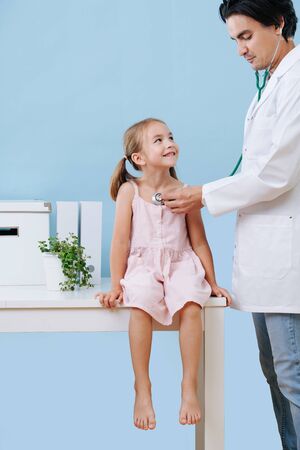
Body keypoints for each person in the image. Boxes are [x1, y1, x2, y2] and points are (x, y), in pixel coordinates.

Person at [161, 0, 300, 448]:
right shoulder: (270, 84)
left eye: (246, 36)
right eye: (233, 40)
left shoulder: (297, 80)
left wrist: (202, 194)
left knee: (292, 375)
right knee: (275, 373)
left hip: (288, 256)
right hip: (267, 258)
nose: (239, 50)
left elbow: (278, 173)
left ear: (278, 24)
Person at [95, 118, 231, 431]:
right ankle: (142, 387)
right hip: (143, 265)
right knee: (140, 302)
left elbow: (198, 241)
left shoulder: (186, 193)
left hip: (181, 263)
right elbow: (120, 241)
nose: (169, 142)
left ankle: (188, 386)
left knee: (191, 305)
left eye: (170, 136)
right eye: (158, 140)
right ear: (138, 158)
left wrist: (212, 282)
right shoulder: (131, 191)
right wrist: (116, 285)